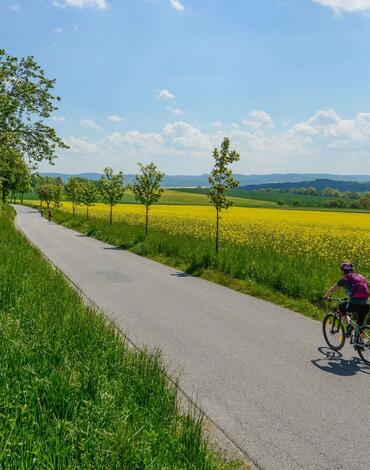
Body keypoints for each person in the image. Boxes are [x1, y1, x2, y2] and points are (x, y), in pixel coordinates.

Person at [324, 262, 369, 338]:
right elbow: (367, 287)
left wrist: (325, 297)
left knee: (341, 307)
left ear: (342, 271)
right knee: (360, 323)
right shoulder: (360, 277)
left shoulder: (343, 280)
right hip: (366, 304)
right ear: (352, 270)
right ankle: (360, 343)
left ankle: (349, 326)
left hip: (354, 304)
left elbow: (332, 290)